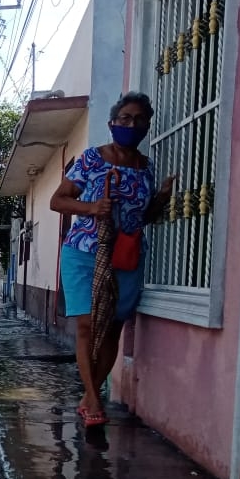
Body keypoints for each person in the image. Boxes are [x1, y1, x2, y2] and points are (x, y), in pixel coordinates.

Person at [50, 92, 176, 427]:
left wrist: (161, 199)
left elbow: (142, 216)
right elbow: (57, 201)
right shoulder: (92, 159)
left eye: (139, 120)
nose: (131, 125)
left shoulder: (146, 168)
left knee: (112, 330)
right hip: (84, 252)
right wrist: (91, 208)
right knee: (87, 326)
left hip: (127, 255)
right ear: (112, 123)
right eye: (125, 119)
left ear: (147, 125)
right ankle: (93, 399)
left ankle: (90, 394)